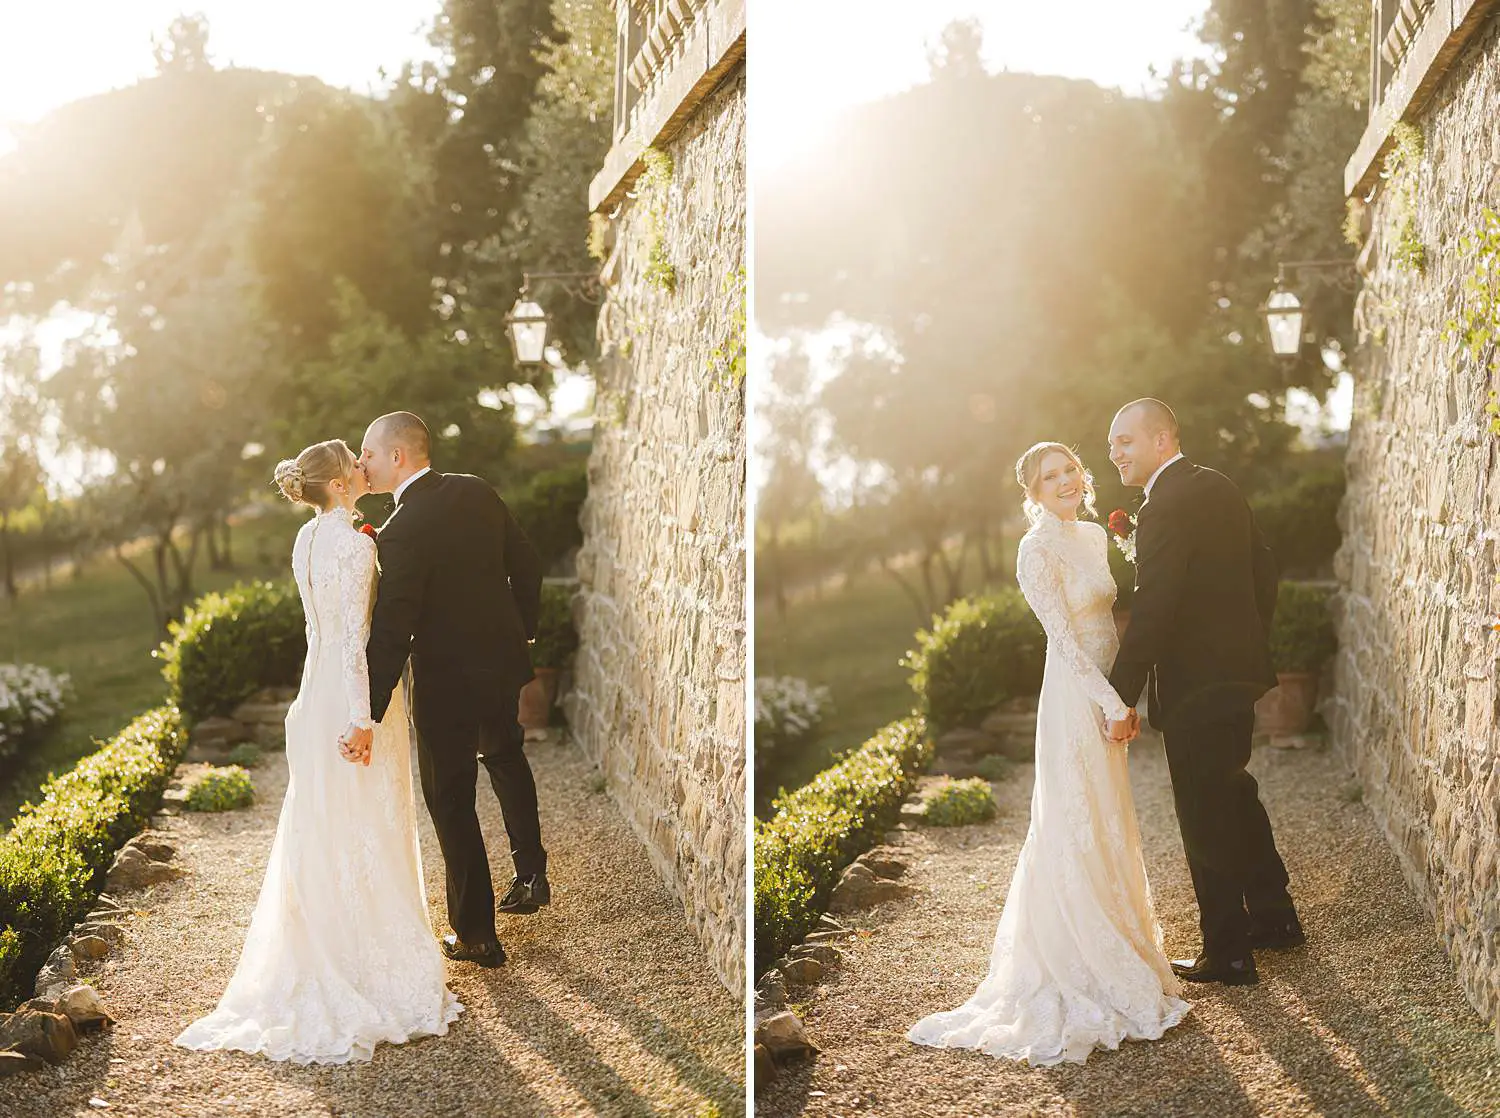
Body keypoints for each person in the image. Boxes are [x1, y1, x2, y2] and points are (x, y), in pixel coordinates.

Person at [174, 438, 461, 1065]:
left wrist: (317, 704)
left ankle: (331, 943)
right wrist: (364, 717)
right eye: (354, 464)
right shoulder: (357, 544)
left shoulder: (305, 541)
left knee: (327, 824)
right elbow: (356, 639)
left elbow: (318, 633)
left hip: (316, 692)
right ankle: (365, 963)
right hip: (352, 698)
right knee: (364, 821)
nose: (364, 467)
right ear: (337, 485)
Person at [908, 441, 1189, 1066]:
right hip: (1074, 697)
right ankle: (1081, 965)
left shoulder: (1093, 534)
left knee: (1110, 820)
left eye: (1069, 470)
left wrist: (1126, 690)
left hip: (1110, 687)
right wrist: (1110, 703)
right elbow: (1063, 642)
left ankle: (1124, 945)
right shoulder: (1034, 551)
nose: (1064, 481)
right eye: (1049, 477)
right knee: (1075, 824)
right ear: (1031, 492)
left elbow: (1116, 620)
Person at [1106, 398, 1301, 987]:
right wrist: (1245, 640)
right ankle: (1275, 918)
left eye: (1125, 441)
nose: (1115, 451)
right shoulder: (1218, 485)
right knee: (1235, 792)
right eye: (1112, 443)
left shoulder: (1165, 504)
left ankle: (1230, 952)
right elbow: (1264, 570)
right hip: (1237, 673)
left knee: (1202, 813)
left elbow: (1155, 609)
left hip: (1196, 686)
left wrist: (1120, 696)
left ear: (1162, 440)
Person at [358, 411, 547, 968]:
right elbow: (527, 563)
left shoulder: (398, 533)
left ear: (398, 456)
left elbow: (394, 625)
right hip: (500, 661)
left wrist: (367, 704)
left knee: (450, 797)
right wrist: (523, 629)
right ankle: (531, 872)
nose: (362, 461)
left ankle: (476, 935)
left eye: (369, 451)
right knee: (507, 756)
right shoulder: (476, 491)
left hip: (444, 681)